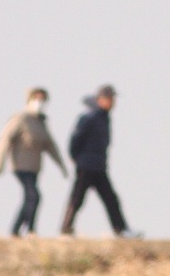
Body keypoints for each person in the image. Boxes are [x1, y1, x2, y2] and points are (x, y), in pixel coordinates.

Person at [60, 84, 142, 238]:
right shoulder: (89, 118)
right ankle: (66, 230)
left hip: (99, 167)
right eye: (109, 98)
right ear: (100, 100)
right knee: (77, 198)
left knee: (111, 199)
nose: (112, 102)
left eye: (113, 99)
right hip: (86, 166)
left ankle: (121, 230)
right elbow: (75, 141)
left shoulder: (105, 119)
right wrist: (78, 159)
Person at [0, 87, 68, 237]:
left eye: (42, 99)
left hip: (34, 167)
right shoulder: (20, 119)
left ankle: (15, 231)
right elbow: (5, 139)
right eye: (37, 99)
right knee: (34, 196)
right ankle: (30, 229)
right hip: (21, 166)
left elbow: (50, 146)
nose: (39, 102)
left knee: (30, 198)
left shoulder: (41, 122)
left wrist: (62, 166)